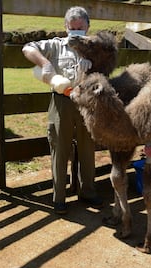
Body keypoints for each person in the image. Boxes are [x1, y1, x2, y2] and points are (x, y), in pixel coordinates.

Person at [22, 6, 102, 215]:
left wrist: (94, 65)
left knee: (87, 148)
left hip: (87, 102)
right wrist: (45, 62)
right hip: (61, 102)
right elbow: (27, 48)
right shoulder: (56, 46)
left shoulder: (96, 46)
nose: (76, 31)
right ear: (66, 27)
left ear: (88, 26)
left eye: (80, 27)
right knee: (59, 148)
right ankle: (59, 197)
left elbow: (109, 66)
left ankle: (88, 192)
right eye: (72, 27)